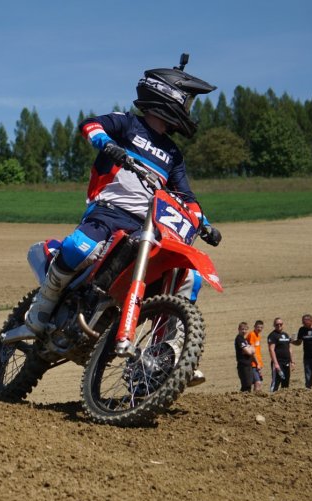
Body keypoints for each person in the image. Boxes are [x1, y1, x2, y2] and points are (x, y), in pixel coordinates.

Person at [24, 55, 221, 386]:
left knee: (188, 279)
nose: (188, 109)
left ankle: (165, 357)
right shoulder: (128, 123)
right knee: (79, 247)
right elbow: (91, 124)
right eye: (186, 101)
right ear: (168, 96)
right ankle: (43, 305)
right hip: (109, 211)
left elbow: (187, 196)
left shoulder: (174, 155)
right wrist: (107, 145)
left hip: (148, 226)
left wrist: (203, 223)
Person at [267, 317, 294, 392]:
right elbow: (271, 349)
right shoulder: (272, 335)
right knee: (276, 381)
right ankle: (271, 397)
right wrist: (276, 364)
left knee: (285, 383)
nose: (279, 326)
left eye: (280, 324)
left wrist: (292, 361)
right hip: (278, 362)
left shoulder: (286, 335)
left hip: (286, 362)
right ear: (274, 325)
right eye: (277, 324)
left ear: (283, 325)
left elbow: (290, 348)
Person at [235, 322, 255, 392]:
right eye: (242, 329)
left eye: (245, 329)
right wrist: (249, 349)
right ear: (239, 329)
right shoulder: (239, 338)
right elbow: (249, 352)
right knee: (246, 385)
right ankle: (242, 400)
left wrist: (249, 349)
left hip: (248, 364)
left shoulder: (245, 340)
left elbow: (253, 350)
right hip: (243, 365)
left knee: (249, 385)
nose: (244, 331)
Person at [247, 320, 265, 392]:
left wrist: (259, 364)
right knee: (257, 383)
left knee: (258, 383)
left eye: (261, 327)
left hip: (257, 363)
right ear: (254, 327)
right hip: (253, 364)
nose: (259, 329)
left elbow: (257, 351)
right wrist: (257, 363)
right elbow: (252, 350)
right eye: (258, 327)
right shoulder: (252, 334)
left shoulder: (258, 336)